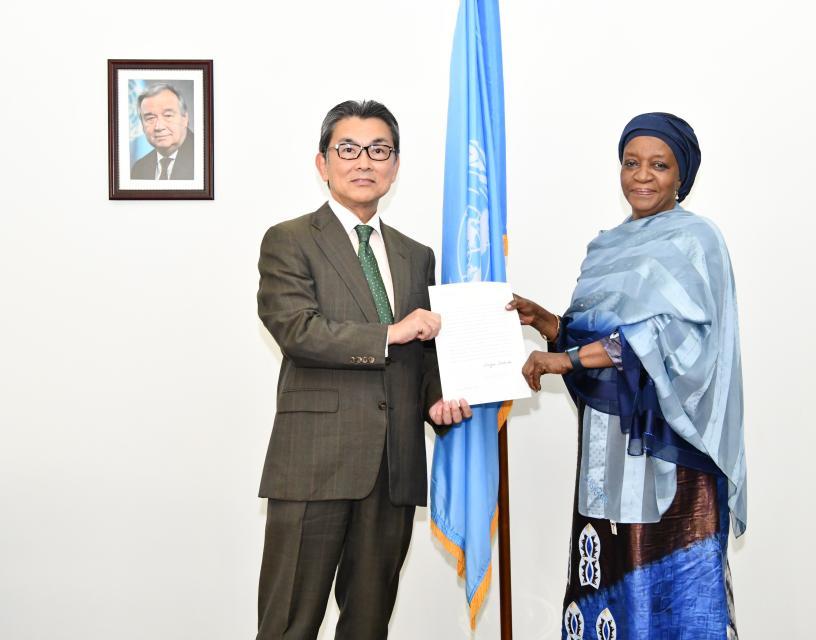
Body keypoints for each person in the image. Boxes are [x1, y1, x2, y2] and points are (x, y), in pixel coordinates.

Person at [508, 112, 746, 639]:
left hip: (670, 449)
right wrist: (549, 324)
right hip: (606, 450)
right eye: (631, 163)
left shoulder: (696, 240)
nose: (642, 176)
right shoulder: (607, 246)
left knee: (670, 591)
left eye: (658, 165)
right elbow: (598, 334)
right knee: (610, 575)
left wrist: (566, 359)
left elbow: (669, 339)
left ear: (681, 174)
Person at [255, 99, 471, 640]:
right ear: (322, 163)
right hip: (314, 463)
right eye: (347, 149)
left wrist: (437, 402)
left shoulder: (415, 255)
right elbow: (298, 332)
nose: (364, 162)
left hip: (393, 467)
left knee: (369, 625)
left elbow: (423, 358)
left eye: (379, 150)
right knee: (288, 624)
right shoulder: (290, 240)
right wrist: (390, 332)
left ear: (395, 165)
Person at [130, 83, 194, 180]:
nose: (159, 127)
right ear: (142, 125)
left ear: (185, 119)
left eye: (168, 115)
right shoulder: (139, 169)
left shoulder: (204, 158)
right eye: (150, 118)